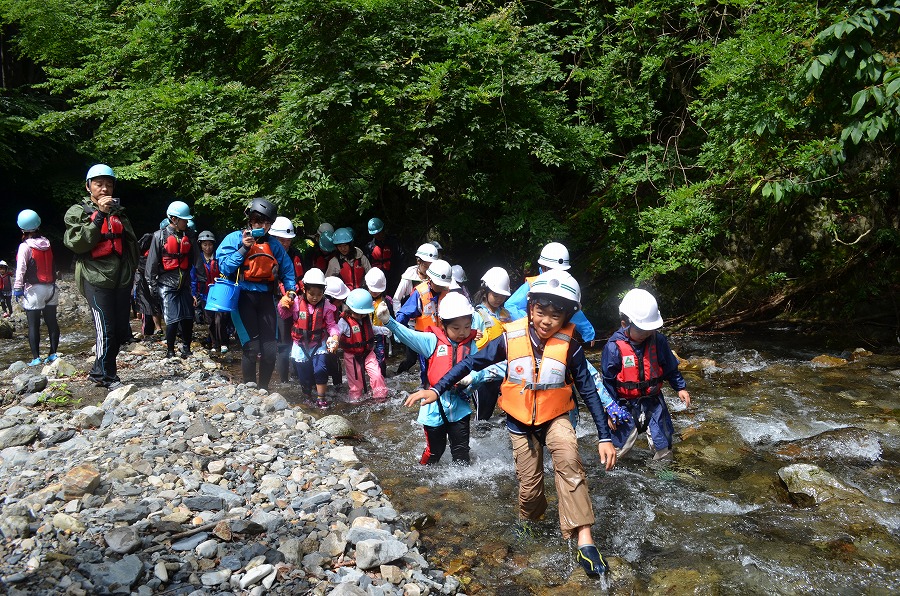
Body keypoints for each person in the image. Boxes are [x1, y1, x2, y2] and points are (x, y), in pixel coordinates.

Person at [407, 270, 617, 577]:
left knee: (569, 456)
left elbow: (588, 390)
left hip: (556, 416)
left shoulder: (570, 345)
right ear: (531, 308)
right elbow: (471, 363)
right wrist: (436, 388)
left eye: (555, 315)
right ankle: (529, 523)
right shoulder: (510, 338)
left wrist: (604, 436)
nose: (546, 320)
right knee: (531, 491)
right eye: (541, 312)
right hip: (521, 421)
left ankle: (585, 539)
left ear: (566, 317)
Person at [380, 292, 478, 465]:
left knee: (462, 454)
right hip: (434, 407)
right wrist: (389, 322)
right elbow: (409, 336)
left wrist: (472, 379)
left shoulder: (472, 345)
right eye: (456, 328)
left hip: (460, 405)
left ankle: (460, 489)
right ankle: (422, 480)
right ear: (443, 324)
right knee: (435, 452)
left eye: (467, 326)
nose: (462, 332)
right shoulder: (432, 341)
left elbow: (481, 370)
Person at [64, 164, 139, 388]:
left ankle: (99, 371)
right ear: (89, 187)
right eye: (99, 184)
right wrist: (100, 216)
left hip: (121, 278)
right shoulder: (77, 212)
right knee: (105, 328)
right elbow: (78, 243)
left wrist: (133, 274)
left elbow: (130, 245)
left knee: (118, 329)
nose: (105, 189)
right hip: (94, 276)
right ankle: (108, 377)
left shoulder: (119, 212)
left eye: (109, 184)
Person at [601, 288, 690, 461]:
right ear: (625, 323)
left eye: (650, 330)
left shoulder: (658, 340)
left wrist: (680, 387)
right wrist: (609, 410)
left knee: (664, 447)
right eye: (642, 331)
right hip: (624, 405)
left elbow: (670, 367)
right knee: (616, 452)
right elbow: (608, 382)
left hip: (654, 402)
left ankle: (665, 480)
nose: (647, 334)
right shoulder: (613, 347)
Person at [216, 197, 295, 390]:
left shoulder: (274, 245)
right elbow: (224, 267)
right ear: (250, 221)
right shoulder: (234, 239)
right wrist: (244, 248)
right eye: (257, 221)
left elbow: (288, 270)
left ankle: (263, 389)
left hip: (266, 298)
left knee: (269, 350)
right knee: (251, 348)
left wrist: (291, 290)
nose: (261, 225)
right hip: (243, 298)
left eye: (266, 222)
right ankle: (249, 390)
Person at [504, 242, 597, 345]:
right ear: (543, 267)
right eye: (552, 269)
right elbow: (510, 306)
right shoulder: (533, 284)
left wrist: (588, 333)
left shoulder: (566, 286)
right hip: (534, 334)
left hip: (557, 336)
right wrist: (532, 319)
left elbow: (575, 313)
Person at [146, 201, 203, 359]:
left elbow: (197, 260)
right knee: (172, 319)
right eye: (184, 219)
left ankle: (186, 347)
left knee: (188, 317)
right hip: (166, 284)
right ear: (173, 219)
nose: (186, 222)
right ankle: (170, 350)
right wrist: (152, 286)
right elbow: (151, 263)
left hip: (184, 284)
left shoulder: (189, 237)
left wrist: (202, 280)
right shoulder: (159, 236)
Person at [277, 268, 340, 407]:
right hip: (300, 345)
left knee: (320, 369)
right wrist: (283, 304)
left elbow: (331, 325)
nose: (315, 297)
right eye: (312, 293)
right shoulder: (297, 304)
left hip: (318, 344)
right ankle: (307, 396)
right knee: (303, 374)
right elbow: (283, 314)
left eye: (319, 294)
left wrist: (335, 336)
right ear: (304, 289)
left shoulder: (326, 306)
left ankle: (321, 398)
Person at [395, 259, 455, 387]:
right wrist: (398, 330)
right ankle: (426, 391)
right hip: (425, 340)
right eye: (438, 284)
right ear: (430, 278)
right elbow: (404, 313)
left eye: (442, 285)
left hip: (444, 339)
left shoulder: (449, 293)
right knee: (426, 371)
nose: (440, 287)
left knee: (447, 368)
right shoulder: (419, 293)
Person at [14, 209, 60, 366]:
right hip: (51, 288)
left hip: (34, 290)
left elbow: (20, 269)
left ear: (22, 228)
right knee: (52, 322)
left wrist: (17, 288)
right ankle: (53, 354)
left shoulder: (25, 246)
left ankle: (36, 358)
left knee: (34, 325)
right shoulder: (47, 243)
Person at [469, 266, 514, 420]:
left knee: (511, 411)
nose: (500, 299)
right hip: (482, 373)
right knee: (483, 417)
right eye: (496, 295)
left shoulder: (506, 314)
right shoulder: (477, 315)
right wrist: (470, 336)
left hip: (502, 371)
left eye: (503, 295)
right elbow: (464, 341)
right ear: (485, 291)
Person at [392, 243, 439, 376]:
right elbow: (396, 299)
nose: (429, 269)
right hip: (412, 326)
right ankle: (397, 376)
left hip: (432, 326)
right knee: (412, 360)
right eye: (426, 265)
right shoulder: (409, 276)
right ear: (419, 261)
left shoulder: (436, 278)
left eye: (432, 265)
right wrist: (399, 324)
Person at [337, 288, 390, 403]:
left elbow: (371, 329)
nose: (361, 316)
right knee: (356, 384)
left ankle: (380, 398)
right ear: (350, 309)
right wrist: (333, 340)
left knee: (377, 375)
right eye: (358, 314)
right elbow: (336, 333)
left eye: (364, 314)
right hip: (352, 356)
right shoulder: (344, 322)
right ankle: (356, 402)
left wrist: (382, 330)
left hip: (368, 353)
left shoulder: (365, 318)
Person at [270, 216, 305, 383]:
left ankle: (297, 375)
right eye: (281, 240)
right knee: (283, 343)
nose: (285, 244)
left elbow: (300, 279)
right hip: (275, 301)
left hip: (295, 301)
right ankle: (284, 381)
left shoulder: (295, 255)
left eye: (288, 241)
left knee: (299, 338)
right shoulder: (266, 253)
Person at [195, 230, 230, 354]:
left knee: (220, 319)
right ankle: (214, 343)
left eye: (210, 244)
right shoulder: (198, 260)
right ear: (201, 245)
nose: (208, 247)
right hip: (205, 294)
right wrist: (194, 294)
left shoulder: (219, 258)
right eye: (205, 245)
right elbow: (194, 277)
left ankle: (224, 342)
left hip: (219, 294)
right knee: (210, 321)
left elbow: (226, 273)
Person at [365, 267, 394, 378]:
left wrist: (391, 330)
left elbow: (391, 317)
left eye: (377, 290)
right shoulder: (362, 298)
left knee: (381, 360)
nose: (375, 292)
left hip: (380, 335)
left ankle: (382, 380)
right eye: (372, 289)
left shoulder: (387, 300)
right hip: (365, 335)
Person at [364, 217, 405, 292]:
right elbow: (367, 265)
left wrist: (399, 276)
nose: (377, 235)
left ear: (383, 230)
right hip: (377, 280)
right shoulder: (370, 247)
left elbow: (401, 259)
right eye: (375, 234)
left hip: (393, 278)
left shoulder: (394, 243)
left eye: (379, 233)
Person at [324, 275, 350, 386]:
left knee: (336, 368)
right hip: (319, 343)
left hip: (331, 342)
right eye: (339, 301)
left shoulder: (333, 308)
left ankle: (337, 390)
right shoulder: (322, 308)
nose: (341, 303)